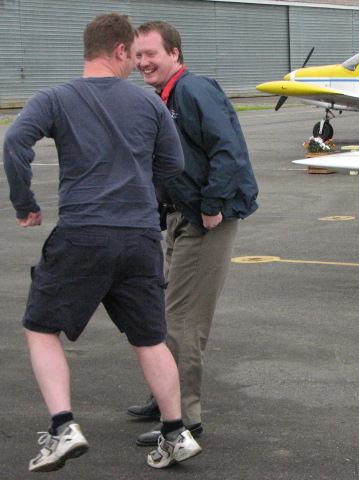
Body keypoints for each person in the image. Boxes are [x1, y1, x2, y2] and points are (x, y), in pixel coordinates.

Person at [3, 13, 202, 471]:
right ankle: (177, 432)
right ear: (117, 51)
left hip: (83, 232)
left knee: (40, 327)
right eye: (133, 54)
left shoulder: (56, 98)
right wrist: (139, 194)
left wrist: (24, 203)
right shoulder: (149, 105)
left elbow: (15, 143)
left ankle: (62, 427)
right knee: (150, 338)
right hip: (138, 237)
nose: (136, 63)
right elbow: (172, 163)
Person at [127, 21, 258, 446]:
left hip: (205, 221)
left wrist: (213, 205)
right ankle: (164, 397)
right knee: (167, 313)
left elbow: (228, 150)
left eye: (152, 53)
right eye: (138, 54)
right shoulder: (164, 97)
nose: (144, 62)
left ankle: (183, 418)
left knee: (184, 321)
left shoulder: (193, 90)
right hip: (180, 216)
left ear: (175, 54)